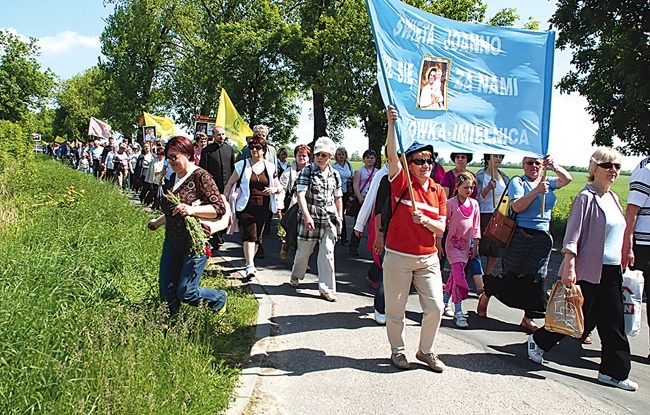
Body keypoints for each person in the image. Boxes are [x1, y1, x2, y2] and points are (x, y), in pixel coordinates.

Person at [527, 148, 638, 391]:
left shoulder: (613, 198)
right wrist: (568, 265)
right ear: (595, 168)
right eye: (608, 165)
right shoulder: (585, 197)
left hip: (610, 271)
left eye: (617, 167)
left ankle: (613, 373)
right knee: (573, 316)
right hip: (588, 269)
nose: (613, 171)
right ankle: (538, 340)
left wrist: (624, 254)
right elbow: (572, 235)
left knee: (613, 323)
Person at [383, 105, 447, 372]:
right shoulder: (400, 181)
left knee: (436, 308)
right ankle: (398, 351)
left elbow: (441, 228)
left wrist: (426, 221)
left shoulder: (438, 190)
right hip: (398, 257)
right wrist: (390, 123)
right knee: (396, 310)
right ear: (409, 164)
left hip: (428, 259)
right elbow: (390, 155)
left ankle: (425, 351)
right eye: (419, 160)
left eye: (429, 160)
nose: (425, 165)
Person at [479, 154, 572, 333]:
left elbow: (566, 179)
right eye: (530, 163)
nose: (534, 167)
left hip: (543, 236)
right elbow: (518, 206)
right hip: (521, 234)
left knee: (537, 277)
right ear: (523, 165)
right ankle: (487, 293)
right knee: (512, 273)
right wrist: (536, 191)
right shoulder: (518, 182)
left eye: (537, 163)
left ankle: (528, 317)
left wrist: (553, 165)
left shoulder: (547, 180)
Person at [147, 135, 227, 315]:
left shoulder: (201, 176)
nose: (171, 161)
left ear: (188, 154)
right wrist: (157, 223)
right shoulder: (173, 178)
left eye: (175, 157)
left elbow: (218, 208)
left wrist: (192, 210)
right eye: (169, 157)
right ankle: (171, 328)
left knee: (186, 292)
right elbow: (173, 210)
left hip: (195, 244)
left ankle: (218, 298)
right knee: (167, 294)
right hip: (173, 241)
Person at [288, 136, 343, 302]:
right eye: (318, 154)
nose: (320, 158)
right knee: (304, 253)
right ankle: (296, 275)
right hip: (310, 219)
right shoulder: (308, 171)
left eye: (324, 155)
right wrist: (307, 216)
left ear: (330, 157)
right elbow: (301, 195)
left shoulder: (335, 174)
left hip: (329, 219)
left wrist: (339, 217)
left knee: (327, 252)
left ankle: (326, 289)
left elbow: (338, 197)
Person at [223, 135, 281, 279]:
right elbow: (230, 183)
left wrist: (274, 190)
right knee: (249, 236)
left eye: (258, 148)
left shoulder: (270, 166)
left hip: (264, 207)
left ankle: (250, 262)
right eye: (252, 148)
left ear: (264, 150)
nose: (255, 150)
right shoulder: (242, 165)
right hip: (246, 206)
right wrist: (225, 201)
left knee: (258, 238)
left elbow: (278, 185)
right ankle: (249, 265)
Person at [439, 172, 481, 329]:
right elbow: (442, 224)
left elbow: (476, 226)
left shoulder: (474, 204)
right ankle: (458, 310)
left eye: (471, 187)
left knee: (454, 275)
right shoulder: (450, 203)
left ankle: (444, 301)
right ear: (457, 187)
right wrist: (438, 243)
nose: (469, 190)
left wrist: (475, 244)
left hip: (465, 246)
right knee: (459, 276)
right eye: (466, 187)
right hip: (452, 245)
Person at [622, 154, 650, 361]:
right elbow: (632, 211)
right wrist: (627, 245)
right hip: (645, 245)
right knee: (621, 292)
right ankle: (586, 328)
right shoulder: (646, 170)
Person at [200, 126, 236, 248]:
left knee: (225, 210)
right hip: (212, 187)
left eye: (222, 134)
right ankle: (215, 236)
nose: (221, 136)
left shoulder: (229, 149)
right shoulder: (207, 151)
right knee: (214, 211)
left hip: (226, 187)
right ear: (213, 136)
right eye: (218, 134)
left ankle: (221, 234)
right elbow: (203, 170)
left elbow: (232, 169)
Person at [476, 154, 510, 277]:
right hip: (483, 214)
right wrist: (488, 188)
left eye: (501, 157)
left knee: (495, 248)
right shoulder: (479, 176)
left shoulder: (504, 177)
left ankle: (487, 275)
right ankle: (476, 274)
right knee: (480, 246)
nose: (498, 159)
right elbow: (476, 199)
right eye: (495, 156)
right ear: (488, 158)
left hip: (499, 215)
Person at [278, 144, 312, 260]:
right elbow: (281, 188)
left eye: (304, 156)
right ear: (295, 156)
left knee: (305, 235)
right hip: (293, 205)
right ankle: (286, 246)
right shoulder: (289, 172)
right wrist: (279, 205)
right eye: (299, 155)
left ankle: (302, 260)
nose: (302, 158)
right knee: (292, 231)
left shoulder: (313, 172)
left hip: (308, 207)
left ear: (308, 158)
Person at [349, 149, 380, 256]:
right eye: (367, 157)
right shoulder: (359, 171)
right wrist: (359, 197)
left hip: (374, 201)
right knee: (358, 224)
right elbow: (355, 185)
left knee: (374, 225)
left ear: (375, 159)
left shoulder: (378, 172)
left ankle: (375, 248)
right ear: (363, 159)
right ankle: (353, 247)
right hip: (361, 199)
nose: (369, 159)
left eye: (372, 157)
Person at [331, 147, 355, 245]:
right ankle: (337, 234)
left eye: (343, 154)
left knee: (342, 214)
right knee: (335, 213)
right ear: (336, 156)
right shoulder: (333, 166)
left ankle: (342, 236)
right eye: (339, 154)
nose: (341, 156)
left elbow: (352, 176)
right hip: (335, 193)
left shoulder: (349, 165)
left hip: (346, 192)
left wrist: (350, 181)